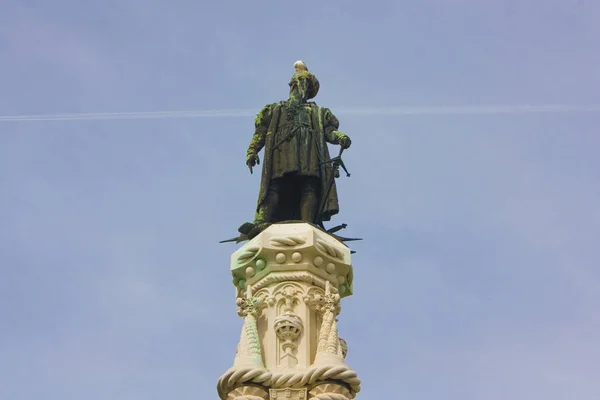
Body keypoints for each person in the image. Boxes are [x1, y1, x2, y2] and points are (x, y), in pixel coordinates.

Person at [239, 61, 351, 238]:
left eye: (304, 85)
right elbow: (260, 133)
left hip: (309, 153)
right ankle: (262, 220)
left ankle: (308, 223)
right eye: (298, 84)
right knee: (275, 185)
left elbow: (329, 131)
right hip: (281, 151)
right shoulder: (275, 109)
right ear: (292, 85)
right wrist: (252, 151)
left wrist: (340, 137)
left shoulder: (319, 112)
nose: (300, 88)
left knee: (309, 185)